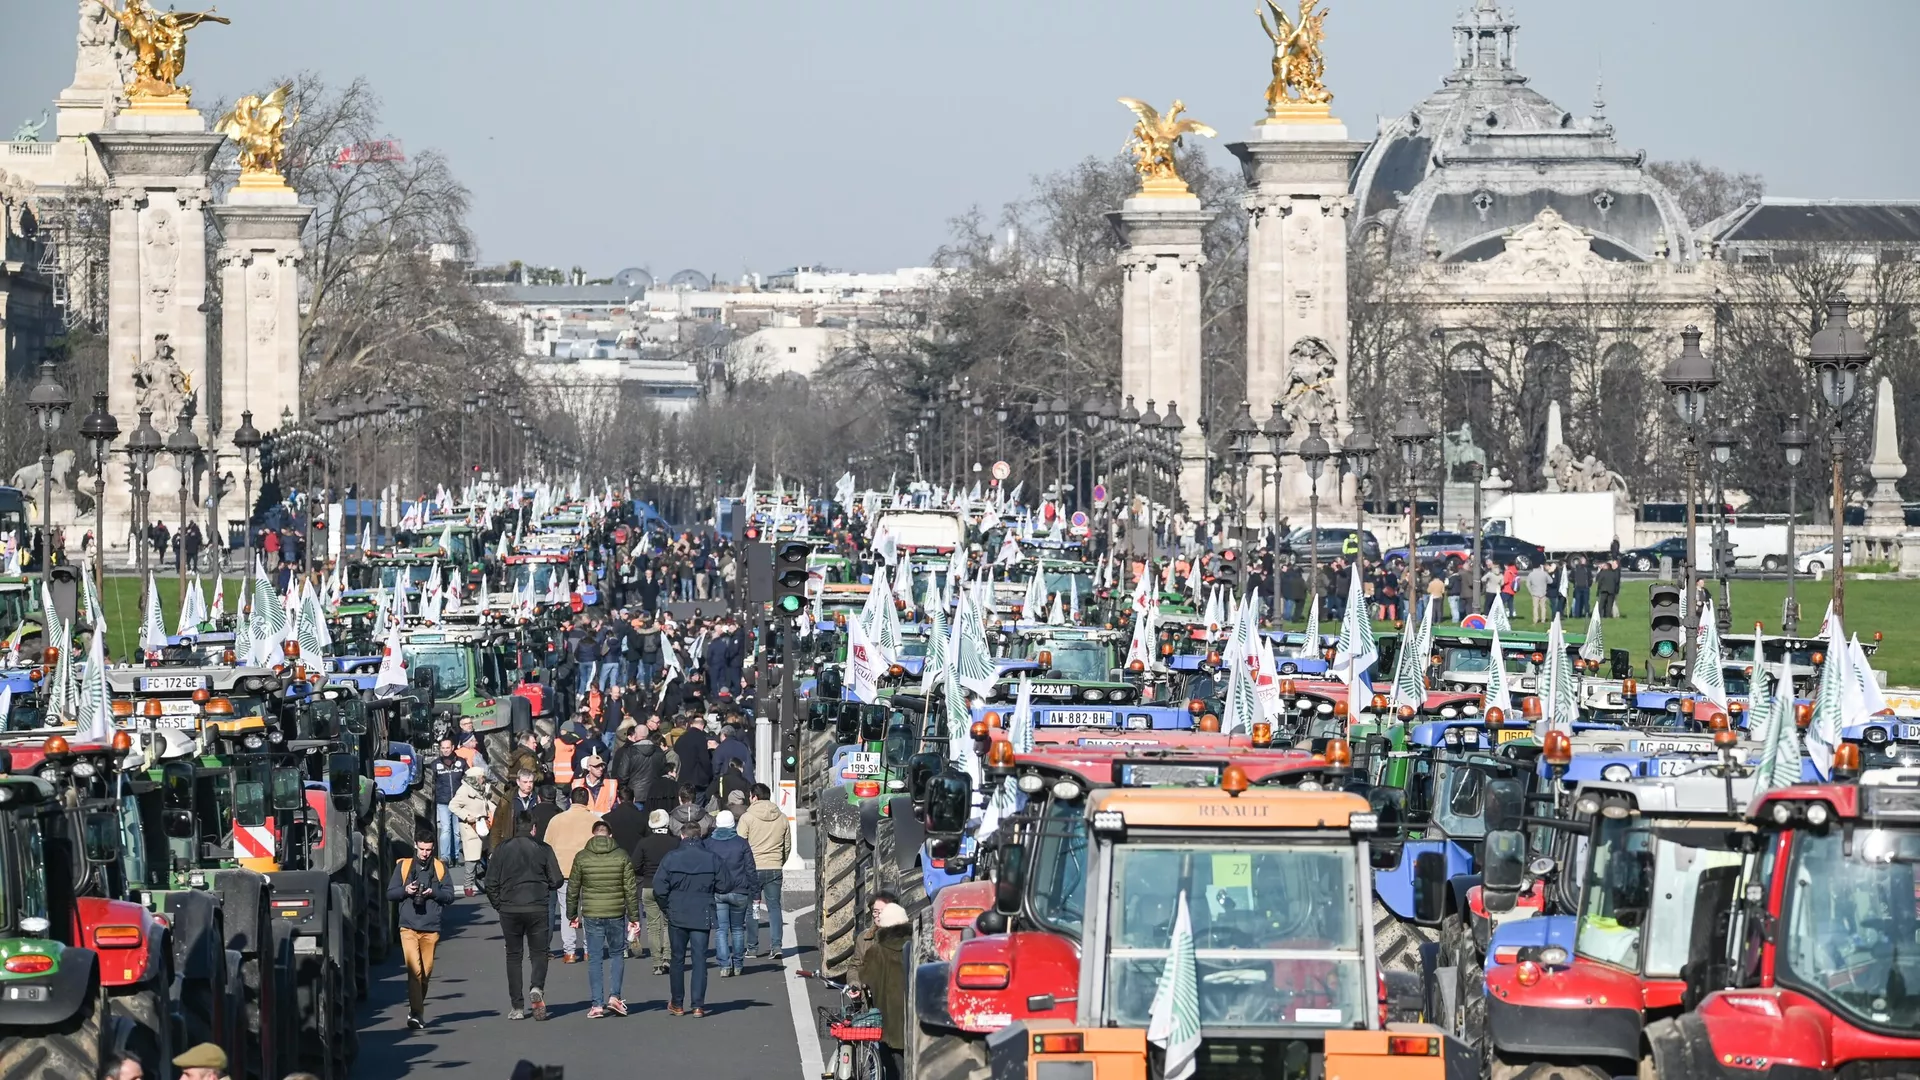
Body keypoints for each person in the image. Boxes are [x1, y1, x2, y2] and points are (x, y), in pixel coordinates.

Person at [653, 821, 736, 1017]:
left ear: (682, 836)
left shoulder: (671, 857)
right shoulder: (712, 858)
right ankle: (698, 1004)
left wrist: (667, 907)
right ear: (700, 836)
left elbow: (659, 887)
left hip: (677, 912)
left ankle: (677, 1002)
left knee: (677, 959)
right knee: (699, 960)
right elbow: (726, 885)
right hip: (702, 911)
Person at [487, 815, 563, 1021]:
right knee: (539, 952)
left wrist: (499, 904)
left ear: (514, 827)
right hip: (537, 905)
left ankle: (517, 1007)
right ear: (534, 828)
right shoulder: (544, 848)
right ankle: (537, 986)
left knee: (513, 955)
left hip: (510, 907)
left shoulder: (502, 849)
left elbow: (490, 881)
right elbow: (557, 879)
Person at [567, 819, 640, 1018]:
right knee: (617, 954)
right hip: (616, 912)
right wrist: (634, 916)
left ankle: (597, 1005)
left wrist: (572, 914)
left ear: (593, 834)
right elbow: (630, 890)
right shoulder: (622, 855)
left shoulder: (582, 857)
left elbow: (573, 888)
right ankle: (615, 996)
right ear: (610, 835)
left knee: (595, 959)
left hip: (592, 913)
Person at [388, 834, 456, 1029]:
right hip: (408, 927)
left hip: (430, 928)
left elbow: (450, 896)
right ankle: (416, 1013)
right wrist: (406, 890)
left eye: (428, 850)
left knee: (425, 974)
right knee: (414, 971)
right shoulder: (403, 867)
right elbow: (390, 893)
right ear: (416, 847)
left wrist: (433, 893)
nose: (425, 854)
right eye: (422, 849)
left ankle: (415, 1009)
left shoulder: (441, 868)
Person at [851, 897, 912, 1080]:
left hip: (888, 1023)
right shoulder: (919, 946)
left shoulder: (877, 951)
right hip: (913, 1020)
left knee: (891, 1068)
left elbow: (867, 982)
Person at [545, 787, 603, 964]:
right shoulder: (596, 821)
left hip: (564, 872)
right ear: (588, 801)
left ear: (571, 800)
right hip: (589, 872)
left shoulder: (556, 820)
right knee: (589, 912)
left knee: (566, 912)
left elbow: (547, 847)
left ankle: (569, 952)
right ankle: (589, 950)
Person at [738, 783, 790, 959]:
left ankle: (752, 948)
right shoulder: (782, 817)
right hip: (774, 867)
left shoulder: (747, 818)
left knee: (753, 908)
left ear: (754, 797)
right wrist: (779, 861)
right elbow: (787, 846)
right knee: (774, 907)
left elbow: (740, 844)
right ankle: (776, 946)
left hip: (753, 868)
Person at [703, 809, 757, 977]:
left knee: (721, 930)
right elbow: (750, 869)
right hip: (740, 890)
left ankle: (724, 965)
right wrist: (755, 892)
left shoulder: (709, 844)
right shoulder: (741, 843)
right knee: (738, 929)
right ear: (733, 824)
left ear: (717, 824)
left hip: (718, 891)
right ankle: (738, 964)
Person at [631, 808, 680, 971]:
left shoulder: (644, 843)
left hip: (648, 884)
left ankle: (656, 963)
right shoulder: (675, 842)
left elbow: (635, 865)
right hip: (669, 887)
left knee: (653, 926)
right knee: (668, 923)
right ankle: (667, 957)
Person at [448, 766, 494, 889]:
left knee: (486, 853)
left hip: (483, 825)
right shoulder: (464, 791)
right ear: (476, 778)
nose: (483, 780)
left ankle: (486, 880)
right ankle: (468, 885)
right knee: (472, 859)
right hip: (470, 828)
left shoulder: (482, 789)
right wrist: (467, 817)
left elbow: (487, 804)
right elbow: (452, 806)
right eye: (482, 778)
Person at [488, 770, 542, 853]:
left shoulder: (537, 798)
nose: (528, 785)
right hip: (512, 843)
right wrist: (493, 850)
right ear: (518, 782)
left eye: (531, 782)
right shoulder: (507, 799)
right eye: (525, 782)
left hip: (532, 845)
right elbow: (497, 825)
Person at [673, 713, 715, 798]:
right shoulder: (701, 738)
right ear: (702, 726)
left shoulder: (681, 739)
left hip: (682, 779)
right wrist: (710, 774)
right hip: (697, 781)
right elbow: (704, 760)